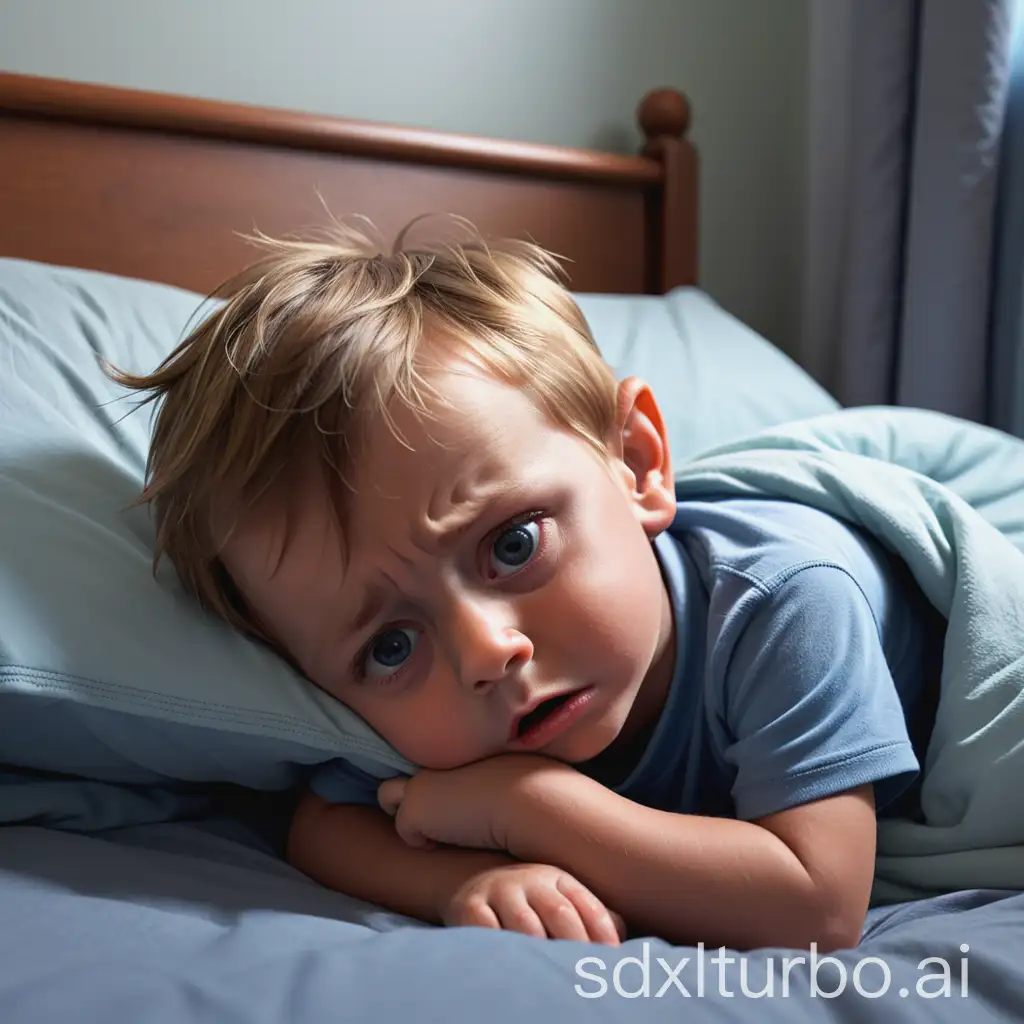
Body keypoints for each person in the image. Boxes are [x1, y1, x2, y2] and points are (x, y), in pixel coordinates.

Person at [110, 218, 944, 954]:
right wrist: (453, 884)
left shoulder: (789, 602)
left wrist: (530, 808)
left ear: (638, 466)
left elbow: (821, 905)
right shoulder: (424, 720)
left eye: (512, 544)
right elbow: (326, 826)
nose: (486, 651)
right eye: (391, 645)